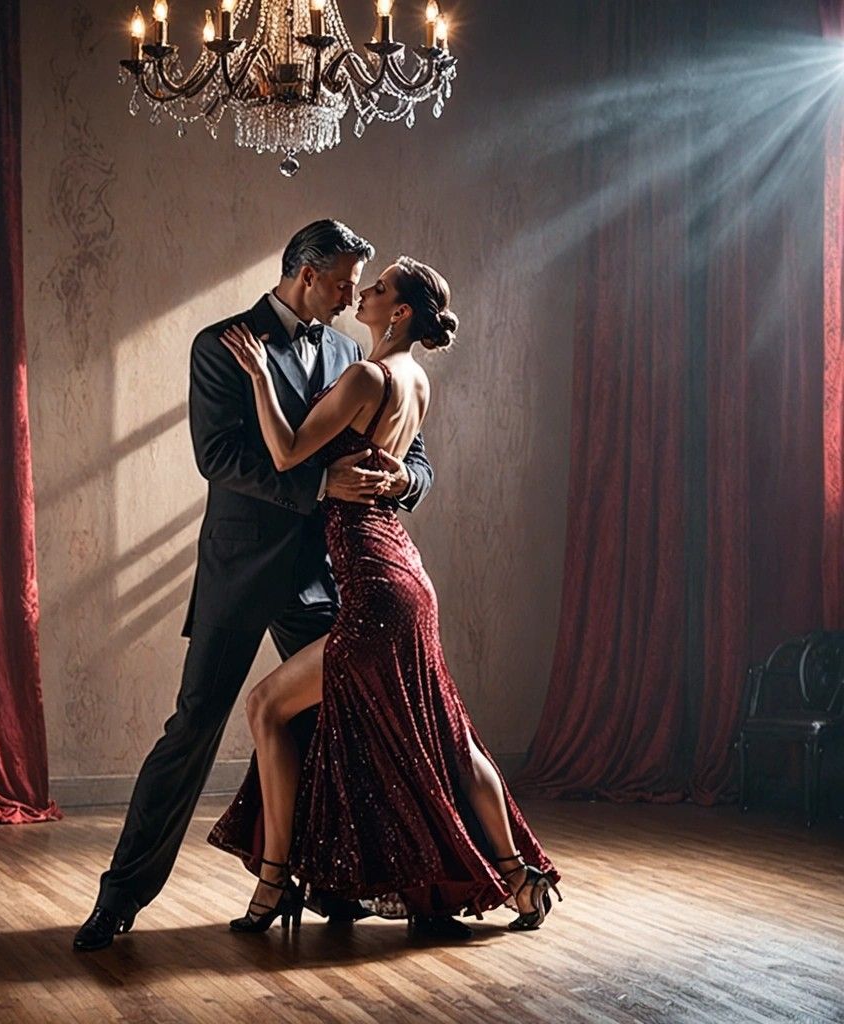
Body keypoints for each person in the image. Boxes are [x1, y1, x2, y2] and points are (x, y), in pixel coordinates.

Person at [73, 221, 434, 952]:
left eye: (356, 286)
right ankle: (120, 897)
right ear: (305, 274)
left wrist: (409, 480)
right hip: (239, 572)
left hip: (328, 574)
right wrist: (317, 481)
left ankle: (331, 881)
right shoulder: (221, 344)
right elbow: (219, 458)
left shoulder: (345, 351)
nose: (347, 297)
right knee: (194, 728)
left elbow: (412, 447)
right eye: (340, 284)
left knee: (345, 726)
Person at [209, 256, 561, 939]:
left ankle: (275, 881)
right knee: (446, 735)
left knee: (264, 708)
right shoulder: (414, 379)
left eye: (374, 289)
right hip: (403, 573)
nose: (360, 294)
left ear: (398, 312)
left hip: (374, 584)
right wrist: (398, 482)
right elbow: (401, 469)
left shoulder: (368, 375)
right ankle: (522, 878)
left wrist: (258, 376)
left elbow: (285, 454)